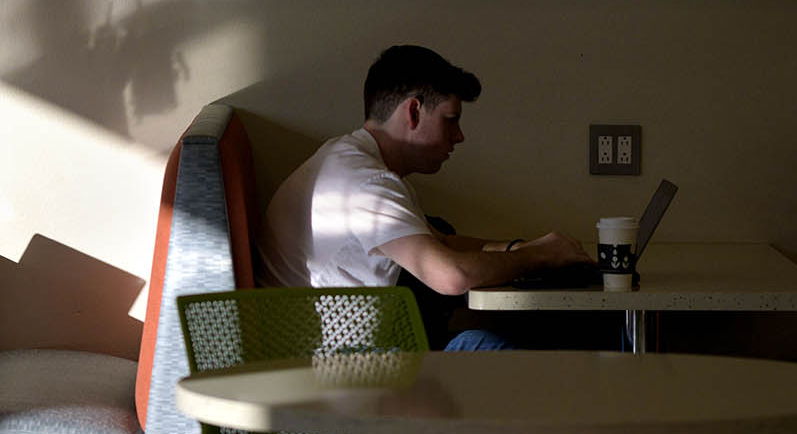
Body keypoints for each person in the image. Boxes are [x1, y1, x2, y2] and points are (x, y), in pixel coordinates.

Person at [256, 44, 597, 350]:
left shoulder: (349, 159)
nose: (459, 136)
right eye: (450, 120)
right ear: (414, 112)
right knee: (498, 350)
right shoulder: (367, 183)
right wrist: (540, 258)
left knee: (492, 341)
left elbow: (442, 242)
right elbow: (451, 276)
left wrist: (521, 247)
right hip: (337, 378)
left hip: (326, 362)